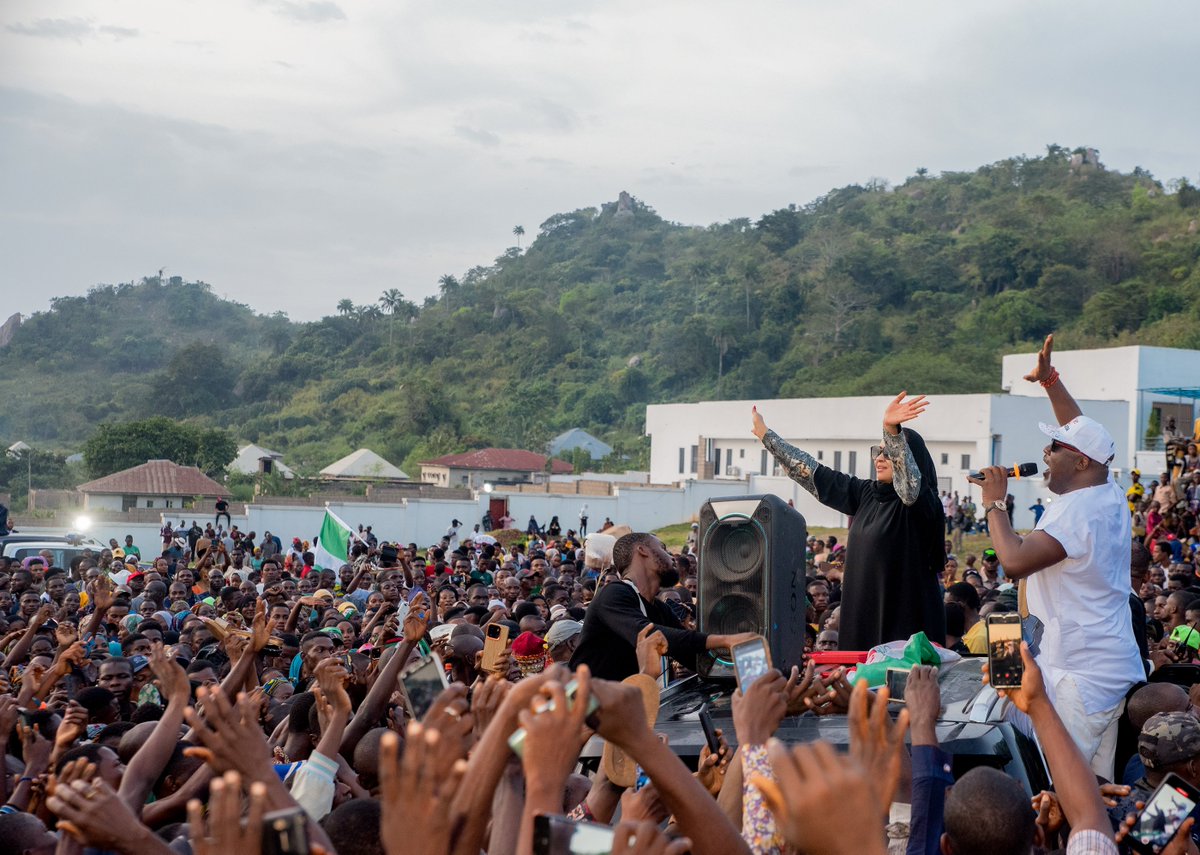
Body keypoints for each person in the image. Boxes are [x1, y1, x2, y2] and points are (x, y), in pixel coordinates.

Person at [969, 334, 1142, 778]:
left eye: (1055, 449)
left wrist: (994, 502)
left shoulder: (1080, 510)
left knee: (1063, 790)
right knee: (1097, 790)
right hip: (1099, 668)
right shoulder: (1105, 490)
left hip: (1078, 681)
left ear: (1081, 463)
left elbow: (1014, 561)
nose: (1045, 453)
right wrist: (1050, 381)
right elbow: (1082, 431)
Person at [753, 392, 946, 649]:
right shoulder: (865, 493)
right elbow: (813, 474)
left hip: (904, 630)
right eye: (878, 450)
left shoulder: (921, 503)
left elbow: (910, 487)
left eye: (889, 452)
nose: (879, 457)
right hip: (862, 623)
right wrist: (768, 437)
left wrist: (891, 429)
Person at [570, 532, 756, 680]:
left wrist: (746, 672)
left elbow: (690, 653)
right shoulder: (613, 593)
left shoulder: (659, 609)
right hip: (578, 714)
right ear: (643, 550)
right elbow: (651, 637)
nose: (671, 557)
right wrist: (725, 640)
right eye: (663, 549)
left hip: (616, 713)